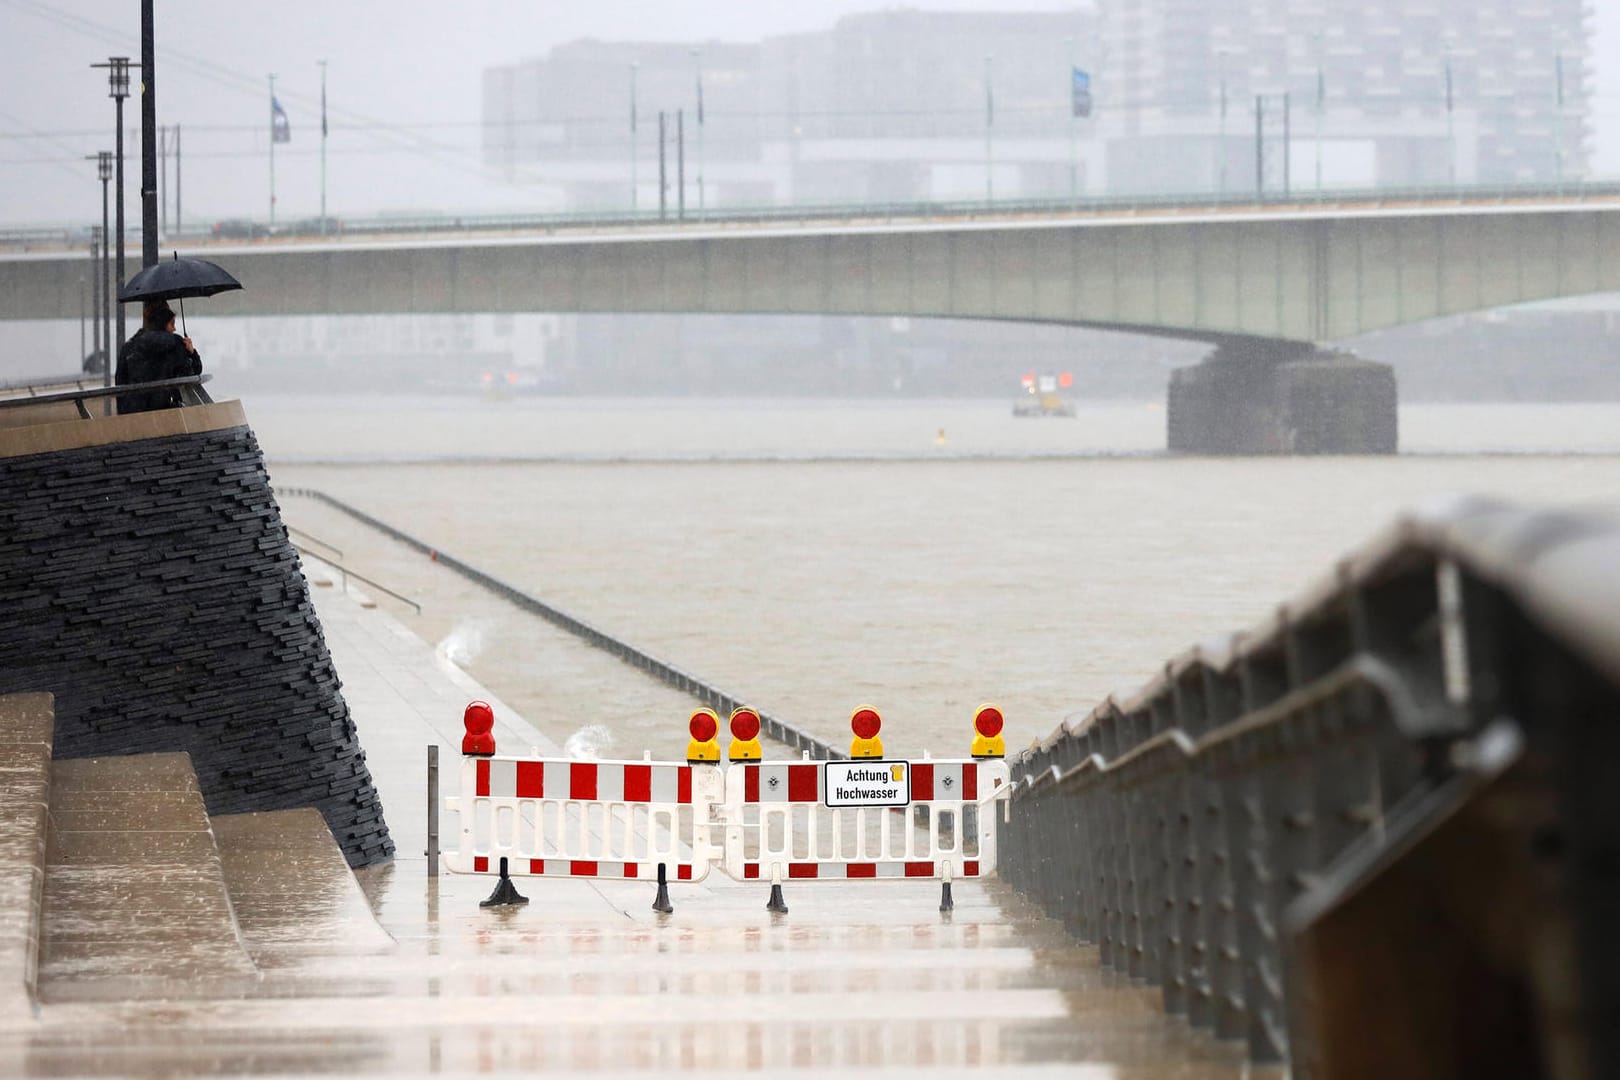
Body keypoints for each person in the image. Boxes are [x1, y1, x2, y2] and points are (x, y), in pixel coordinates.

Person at [116, 300, 202, 414]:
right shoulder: (175, 343)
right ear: (163, 323)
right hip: (167, 412)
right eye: (172, 324)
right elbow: (192, 374)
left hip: (134, 414)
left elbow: (120, 381)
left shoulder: (129, 347)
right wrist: (192, 353)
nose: (174, 329)